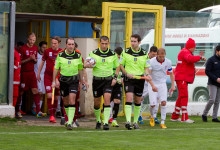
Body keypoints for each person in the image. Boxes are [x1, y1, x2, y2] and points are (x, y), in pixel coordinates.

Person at [84, 36, 120, 130]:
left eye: (106, 43)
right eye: (102, 43)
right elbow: (85, 64)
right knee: (97, 103)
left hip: (108, 80)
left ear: (108, 43)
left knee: (107, 99)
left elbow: (117, 67)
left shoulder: (113, 54)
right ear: (99, 43)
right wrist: (88, 65)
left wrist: (115, 78)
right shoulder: (93, 53)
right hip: (97, 80)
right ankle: (98, 120)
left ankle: (105, 122)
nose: (104, 45)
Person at [52, 37, 87, 130]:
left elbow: (80, 69)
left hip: (74, 81)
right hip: (63, 80)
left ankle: (70, 122)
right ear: (66, 45)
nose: (71, 46)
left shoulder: (78, 56)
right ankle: (68, 119)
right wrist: (54, 80)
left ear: (74, 45)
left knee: (72, 100)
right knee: (66, 101)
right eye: (69, 44)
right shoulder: (60, 55)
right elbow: (56, 68)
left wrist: (81, 81)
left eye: (72, 44)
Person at [120, 34, 152, 130]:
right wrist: (126, 73)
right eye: (131, 41)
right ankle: (128, 121)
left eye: (134, 41)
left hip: (139, 79)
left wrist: (147, 74)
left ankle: (135, 122)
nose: (132, 43)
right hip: (129, 79)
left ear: (139, 42)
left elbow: (146, 68)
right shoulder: (125, 52)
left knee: (138, 100)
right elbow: (120, 65)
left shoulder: (144, 54)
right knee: (129, 98)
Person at [170, 38, 206, 123]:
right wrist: (199, 57)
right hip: (182, 78)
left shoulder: (184, 51)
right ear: (191, 47)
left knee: (181, 96)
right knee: (184, 96)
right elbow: (190, 59)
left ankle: (175, 116)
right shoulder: (185, 52)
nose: (194, 49)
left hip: (181, 78)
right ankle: (184, 117)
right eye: (194, 47)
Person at [16, 33, 45, 118]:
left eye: (34, 40)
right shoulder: (22, 48)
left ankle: (38, 111)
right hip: (24, 73)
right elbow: (19, 62)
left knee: (35, 91)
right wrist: (29, 59)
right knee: (21, 92)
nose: (32, 41)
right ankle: (17, 110)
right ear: (27, 39)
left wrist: (34, 60)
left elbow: (35, 61)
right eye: (31, 39)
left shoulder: (35, 48)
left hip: (32, 73)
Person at [148, 48, 175, 129]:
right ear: (157, 55)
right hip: (153, 83)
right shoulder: (151, 62)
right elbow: (148, 74)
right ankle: (152, 116)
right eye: (160, 56)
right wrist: (152, 85)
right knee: (153, 104)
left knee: (163, 102)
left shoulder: (168, 62)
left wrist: (173, 85)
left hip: (162, 84)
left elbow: (171, 74)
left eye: (163, 57)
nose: (161, 58)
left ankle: (163, 121)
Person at [37, 36, 62, 123]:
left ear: (59, 43)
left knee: (55, 97)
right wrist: (38, 73)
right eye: (52, 43)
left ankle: (53, 113)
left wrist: (58, 78)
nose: (53, 45)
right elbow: (42, 62)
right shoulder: (47, 51)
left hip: (58, 77)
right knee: (49, 95)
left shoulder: (62, 52)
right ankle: (51, 115)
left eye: (55, 43)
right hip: (48, 76)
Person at [138, 45, 158, 124]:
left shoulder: (157, 61)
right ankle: (139, 116)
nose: (154, 56)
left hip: (153, 82)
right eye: (152, 55)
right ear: (149, 53)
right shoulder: (145, 59)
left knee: (155, 100)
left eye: (155, 55)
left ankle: (154, 116)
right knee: (141, 98)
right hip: (145, 83)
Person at [202, 45, 220, 122]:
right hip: (212, 83)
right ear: (217, 51)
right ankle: (204, 114)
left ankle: (214, 117)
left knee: (217, 101)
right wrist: (216, 78)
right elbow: (207, 71)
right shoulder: (211, 60)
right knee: (212, 99)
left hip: (219, 83)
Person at [108, 47, 123, 127]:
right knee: (109, 100)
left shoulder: (122, 60)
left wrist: (123, 78)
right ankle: (108, 116)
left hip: (118, 82)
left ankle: (114, 119)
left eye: (119, 57)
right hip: (110, 81)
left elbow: (123, 70)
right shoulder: (111, 59)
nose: (118, 58)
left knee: (117, 101)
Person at [33, 41, 47, 115]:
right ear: (40, 47)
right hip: (36, 75)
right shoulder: (36, 55)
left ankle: (38, 110)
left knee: (42, 94)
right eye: (43, 47)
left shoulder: (46, 55)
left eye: (45, 47)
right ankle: (35, 108)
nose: (44, 49)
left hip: (44, 76)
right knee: (39, 92)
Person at [13, 48, 21, 118]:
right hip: (14, 78)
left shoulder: (14, 53)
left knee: (15, 94)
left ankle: (13, 111)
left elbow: (14, 67)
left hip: (14, 78)